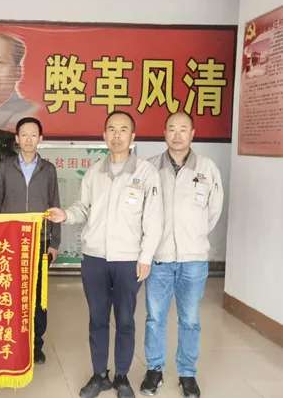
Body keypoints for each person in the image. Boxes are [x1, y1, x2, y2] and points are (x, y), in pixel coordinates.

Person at [48, 111, 163, 398]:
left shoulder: (146, 173)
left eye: (123, 130)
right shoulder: (94, 172)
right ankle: (99, 375)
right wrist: (66, 215)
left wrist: (146, 257)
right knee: (97, 318)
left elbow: (154, 218)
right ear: (104, 135)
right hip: (95, 258)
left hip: (128, 259)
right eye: (111, 129)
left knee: (125, 319)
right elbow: (83, 208)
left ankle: (122, 376)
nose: (117, 135)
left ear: (132, 136)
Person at [140, 112, 224, 398]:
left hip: (193, 259)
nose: (177, 135)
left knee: (190, 319)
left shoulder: (207, 168)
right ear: (164, 132)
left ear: (193, 133)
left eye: (183, 129)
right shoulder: (150, 167)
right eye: (172, 129)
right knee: (155, 318)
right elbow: (143, 211)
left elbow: (214, 210)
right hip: (159, 257)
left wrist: (194, 234)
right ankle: (154, 370)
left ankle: (187, 373)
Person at [0, 116, 61, 364]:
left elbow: (55, 205)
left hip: (39, 240)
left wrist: (54, 242)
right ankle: (10, 340)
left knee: (37, 295)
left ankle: (35, 344)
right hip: (9, 241)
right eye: (24, 135)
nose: (29, 139)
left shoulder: (48, 169)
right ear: (17, 139)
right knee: (9, 292)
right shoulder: (5, 167)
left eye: (33, 135)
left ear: (40, 138)